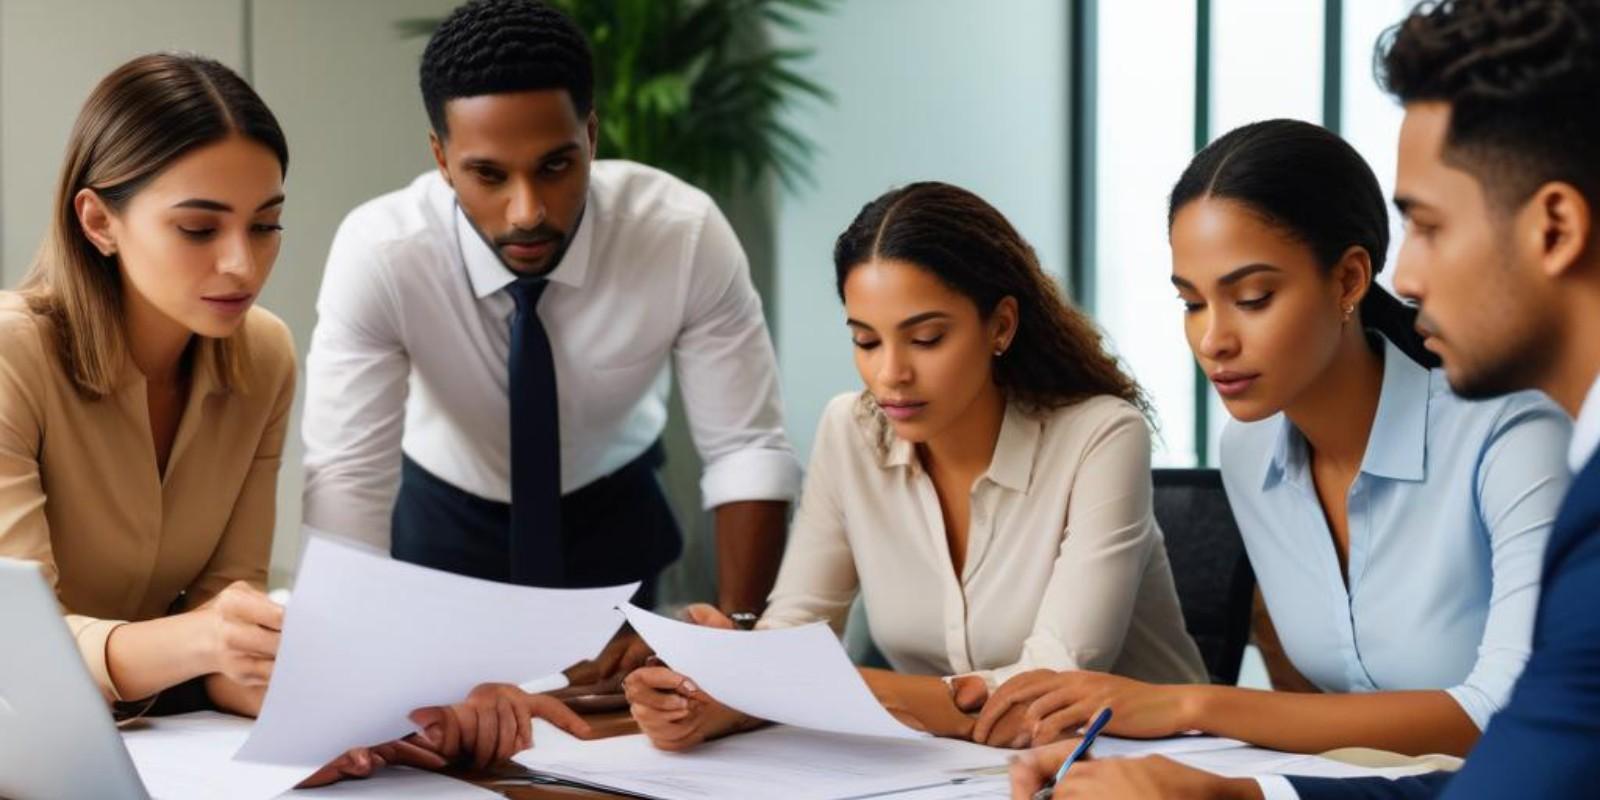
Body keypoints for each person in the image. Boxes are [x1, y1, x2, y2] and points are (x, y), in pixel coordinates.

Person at [1010, 0, 1600, 797]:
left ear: (1350, 280)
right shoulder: (1250, 451)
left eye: (1252, 297)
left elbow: (1508, 721)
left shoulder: (1517, 436)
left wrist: (1194, 711)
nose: (1213, 338)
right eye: (1191, 301)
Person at [0, 52, 585, 787]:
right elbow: (17, 646)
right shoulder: (11, 354)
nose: (243, 265)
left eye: (267, 224)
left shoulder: (260, 356)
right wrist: (205, 640)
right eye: (198, 229)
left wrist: (392, 710)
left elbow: (226, 616)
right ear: (98, 221)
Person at [622, 181, 1207, 750]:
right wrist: (709, 693)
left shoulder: (1101, 435)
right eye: (867, 341)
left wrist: (783, 685)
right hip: (958, 772)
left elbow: (1047, 692)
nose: (890, 375)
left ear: (1000, 325)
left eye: (925, 339)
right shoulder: (849, 431)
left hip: (1152, 766)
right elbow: (795, 634)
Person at [300, 0, 799, 623]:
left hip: (613, 513)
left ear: (590, 136)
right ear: (440, 159)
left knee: (618, 717)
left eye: (555, 165)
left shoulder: (681, 234)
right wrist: (343, 648)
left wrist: (743, 640)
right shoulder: (382, 253)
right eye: (488, 174)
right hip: (443, 518)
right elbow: (347, 475)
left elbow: (746, 449)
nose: (526, 211)